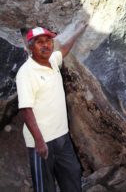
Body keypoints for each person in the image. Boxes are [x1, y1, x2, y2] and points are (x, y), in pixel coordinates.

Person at [16, 22, 87, 192]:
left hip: (62, 136)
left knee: (72, 176)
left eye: (48, 40)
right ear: (30, 47)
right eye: (40, 42)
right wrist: (39, 142)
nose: (46, 45)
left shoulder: (52, 61)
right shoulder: (26, 73)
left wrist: (79, 31)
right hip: (41, 141)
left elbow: (64, 50)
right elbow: (26, 109)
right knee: (45, 186)